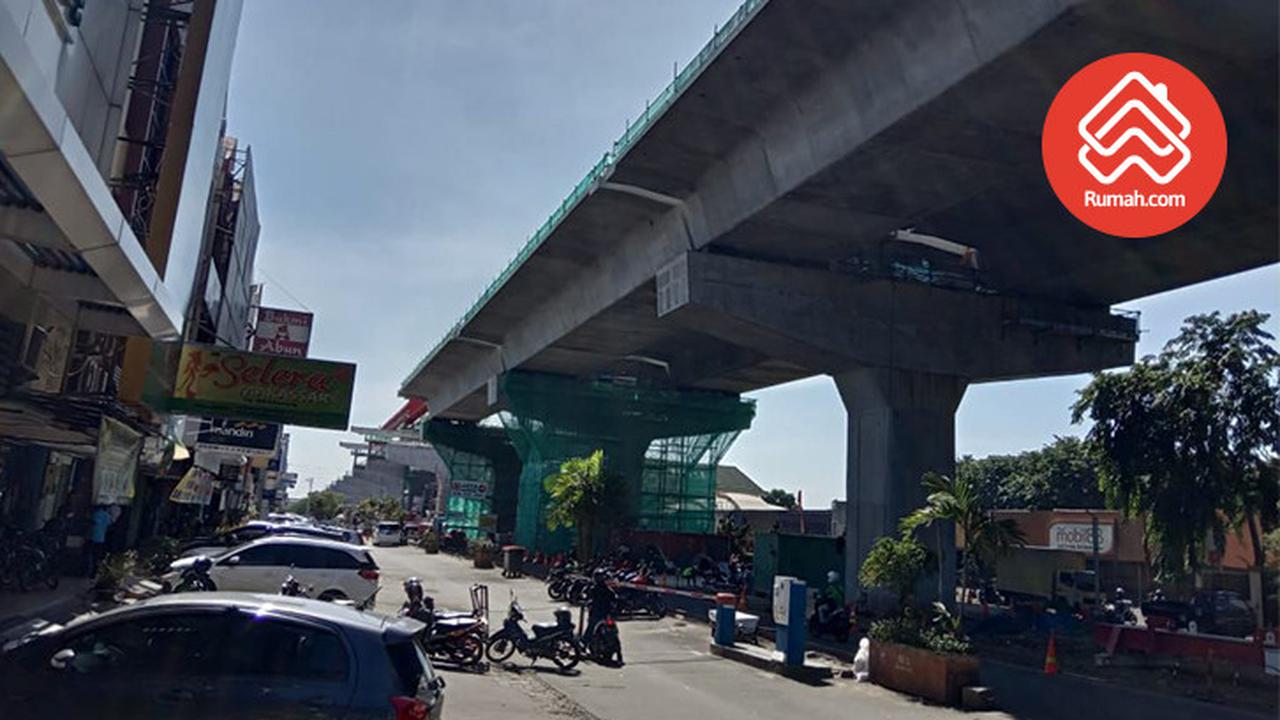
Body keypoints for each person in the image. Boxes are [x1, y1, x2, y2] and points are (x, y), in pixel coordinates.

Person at [85, 505, 112, 578]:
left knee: (89, 555)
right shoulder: (107, 515)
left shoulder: (95, 514)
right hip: (101, 538)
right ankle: (95, 571)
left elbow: (91, 523)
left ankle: (88, 571)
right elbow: (109, 525)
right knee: (96, 556)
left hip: (92, 537)